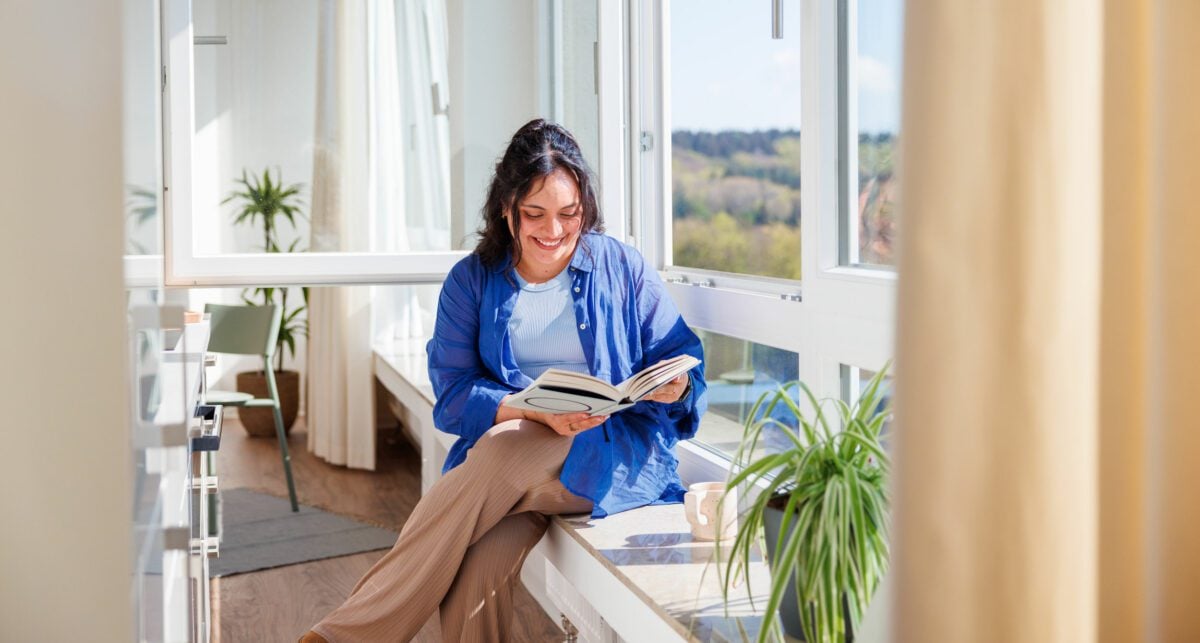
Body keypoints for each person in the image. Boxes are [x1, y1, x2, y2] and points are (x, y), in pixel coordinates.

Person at [301, 119, 706, 642]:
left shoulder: (623, 267)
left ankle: (343, 636)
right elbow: (452, 396)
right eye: (535, 213)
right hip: (515, 476)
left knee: (502, 447)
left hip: (609, 461)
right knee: (477, 570)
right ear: (506, 208)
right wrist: (529, 410)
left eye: (569, 213)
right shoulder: (470, 281)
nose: (554, 230)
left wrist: (679, 386)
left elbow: (682, 358)